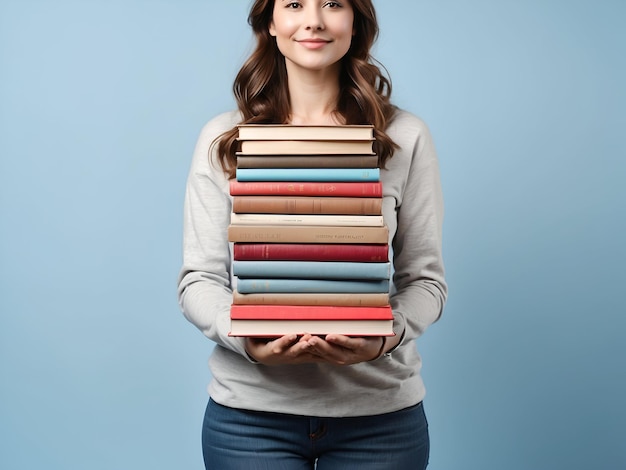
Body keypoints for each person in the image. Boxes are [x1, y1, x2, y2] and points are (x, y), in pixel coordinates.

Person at [177, 0, 447, 468]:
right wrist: (245, 338)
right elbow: (198, 280)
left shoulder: (404, 136)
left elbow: (426, 281)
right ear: (270, 21)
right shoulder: (226, 138)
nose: (314, 21)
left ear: (355, 21)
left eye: (333, 4)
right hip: (251, 418)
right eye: (295, 4)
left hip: (380, 418)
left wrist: (385, 337)